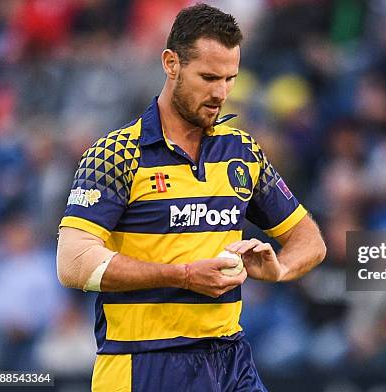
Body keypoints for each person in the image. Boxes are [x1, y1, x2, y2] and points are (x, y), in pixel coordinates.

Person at [56, 4, 326, 391]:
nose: (221, 93)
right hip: (143, 363)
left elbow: (309, 240)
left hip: (231, 359)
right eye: (209, 77)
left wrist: (278, 269)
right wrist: (183, 275)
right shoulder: (116, 153)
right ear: (171, 63)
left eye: (231, 79)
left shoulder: (242, 151)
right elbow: (73, 263)